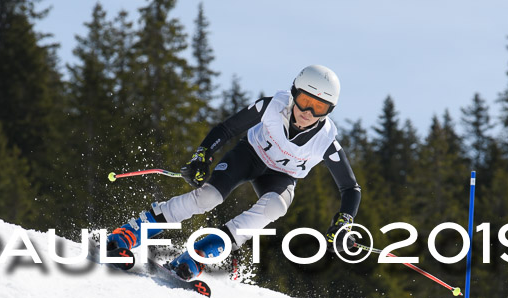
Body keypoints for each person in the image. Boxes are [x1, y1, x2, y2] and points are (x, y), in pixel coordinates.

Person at [107, 64, 361, 279]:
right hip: (249, 156)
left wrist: (343, 225)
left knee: (276, 207)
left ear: (329, 111)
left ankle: (201, 252)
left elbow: (350, 188)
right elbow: (226, 129)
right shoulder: (271, 106)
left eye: (319, 108)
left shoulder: (326, 141)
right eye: (305, 101)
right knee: (208, 197)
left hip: (281, 177)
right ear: (295, 94)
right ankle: (131, 232)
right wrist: (202, 155)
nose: (308, 113)